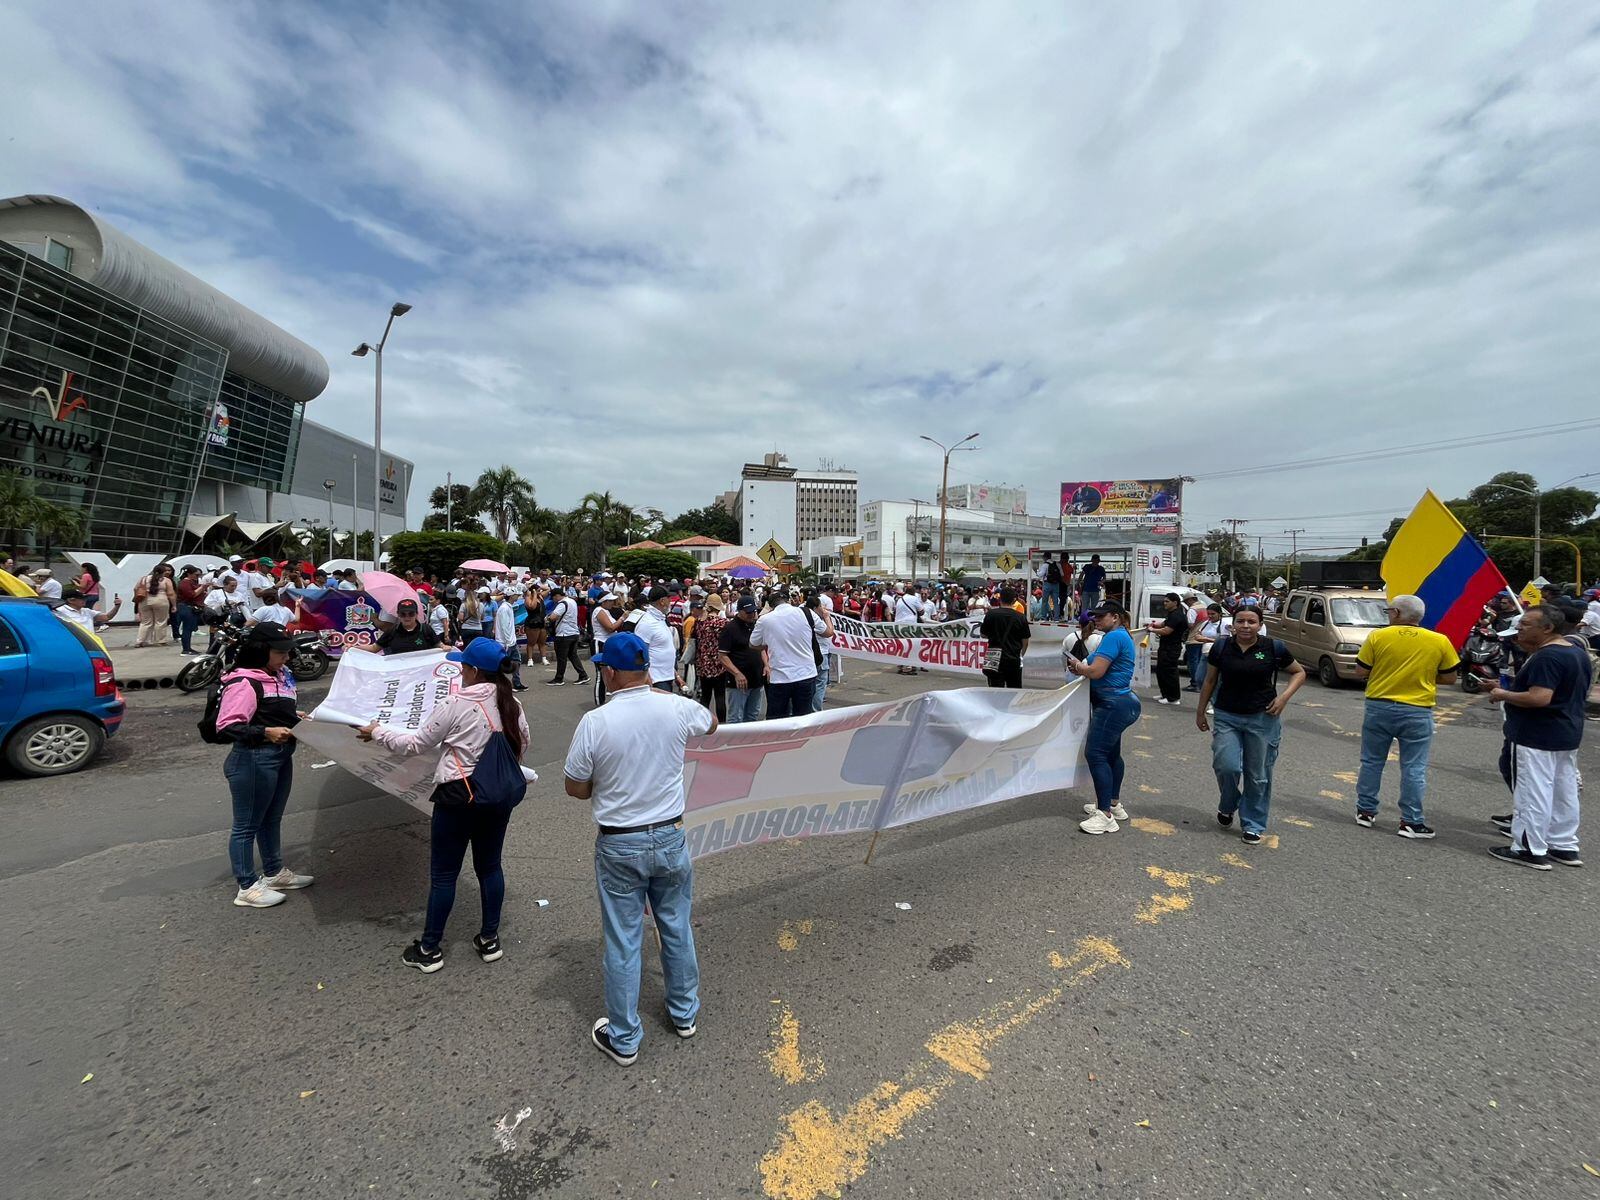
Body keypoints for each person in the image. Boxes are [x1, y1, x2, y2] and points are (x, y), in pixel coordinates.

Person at [563, 632, 715, 1066]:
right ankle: (684, 1013)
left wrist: (606, 781)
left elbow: (575, 787)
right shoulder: (677, 708)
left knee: (624, 939)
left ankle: (625, 1036)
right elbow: (712, 724)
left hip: (620, 841)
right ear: (647, 668)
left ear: (610, 672)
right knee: (676, 924)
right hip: (669, 834)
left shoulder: (597, 721)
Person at [360, 636, 530, 969]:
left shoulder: (456, 703)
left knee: (444, 874)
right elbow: (522, 745)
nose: (460, 670)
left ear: (473, 670)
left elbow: (415, 744)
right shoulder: (513, 703)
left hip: (458, 797)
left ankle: (429, 949)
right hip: (498, 797)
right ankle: (490, 939)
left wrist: (377, 731)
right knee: (490, 867)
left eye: (463, 665)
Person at [215, 623, 314, 908]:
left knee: (272, 818)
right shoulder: (245, 681)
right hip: (254, 758)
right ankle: (246, 886)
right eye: (280, 651)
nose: (286, 656)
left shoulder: (279, 675)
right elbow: (228, 726)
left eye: (287, 651)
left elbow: (269, 709)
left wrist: (294, 715)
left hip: (280, 756)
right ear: (261, 651)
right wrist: (266, 732)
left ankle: (273, 872)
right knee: (246, 825)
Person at [1487, 605, 1590, 869]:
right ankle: (1562, 844)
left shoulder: (1548, 657)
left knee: (1533, 792)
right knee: (1561, 791)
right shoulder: (1576, 653)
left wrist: (1503, 695)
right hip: (1565, 732)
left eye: (1526, 624)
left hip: (1535, 734)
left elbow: (1539, 697)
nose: (1519, 628)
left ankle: (1529, 848)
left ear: (1547, 628)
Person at [1195, 607, 1307, 844]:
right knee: (1227, 766)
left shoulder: (1272, 648)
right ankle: (1228, 804)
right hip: (1227, 715)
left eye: (1252, 622)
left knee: (1258, 775)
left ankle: (1253, 823)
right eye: (1241, 621)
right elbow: (1210, 679)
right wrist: (1201, 711)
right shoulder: (1221, 647)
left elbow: (1298, 673)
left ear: (1260, 624)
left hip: (1262, 718)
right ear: (1233, 624)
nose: (1246, 626)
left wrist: (1283, 698)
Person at [1353, 594, 1459, 838]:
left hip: (1379, 706)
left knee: (1371, 761)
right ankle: (1411, 821)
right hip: (1418, 709)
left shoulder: (1378, 636)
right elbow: (1450, 678)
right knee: (1414, 767)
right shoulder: (1439, 640)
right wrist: (1421, 676)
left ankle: (1366, 811)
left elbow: (1361, 671)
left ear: (1398, 613)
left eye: (1390, 611)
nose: (1388, 614)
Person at [1067, 603, 1141, 834]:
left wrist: (1078, 666)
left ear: (1115, 617)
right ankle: (1113, 804)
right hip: (1119, 703)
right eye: (1095, 616)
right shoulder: (1119, 635)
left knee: (1096, 753)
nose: (1096, 620)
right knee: (1111, 754)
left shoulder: (1113, 638)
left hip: (1112, 704)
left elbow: (1097, 671)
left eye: (1101, 616)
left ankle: (1105, 815)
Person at [752, 590, 819, 719]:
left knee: (777, 719)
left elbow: (753, 644)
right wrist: (826, 617)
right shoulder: (806, 613)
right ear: (788, 600)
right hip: (806, 673)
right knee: (804, 718)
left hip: (780, 677)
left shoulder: (765, 619)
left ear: (770, 606)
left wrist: (770, 643)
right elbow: (827, 632)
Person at [719, 595, 767, 722]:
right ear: (739, 611)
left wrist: (766, 665)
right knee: (736, 717)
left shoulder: (755, 625)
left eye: (754, 611)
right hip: (738, 683)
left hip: (756, 679)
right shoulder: (730, 628)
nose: (752, 614)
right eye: (748, 612)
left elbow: (760, 648)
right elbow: (722, 656)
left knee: (752, 715)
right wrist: (737, 673)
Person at [980, 586, 1031, 688]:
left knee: (995, 690)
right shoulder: (1020, 617)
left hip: (994, 659)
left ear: (1000, 599)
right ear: (1014, 600)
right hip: (1013, 658)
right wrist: (1020, 654)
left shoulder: (991, 614)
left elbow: (983, 634)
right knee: (1014, 689)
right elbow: (1025, 640)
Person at [634, 587, 683, 694]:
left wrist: (676, 676)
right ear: (662, 601)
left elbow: (664, 649)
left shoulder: (660, 619)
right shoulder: (647, 623)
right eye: (668, 599)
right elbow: (639, 654)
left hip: (666, 677)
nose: (670, 602)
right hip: (656, 680)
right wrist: (648, 680)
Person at [1144, 593, 1189, 705]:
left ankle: (1173, 698)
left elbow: (1166, 631)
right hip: (1165, 647)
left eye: (1167, 601)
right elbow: (1163, 624)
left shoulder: (1177, 615)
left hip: (1172, 647)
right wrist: (1153, 625)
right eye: (1164, 601)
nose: (1165, 603)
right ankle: (1165, 694)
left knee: (1169, 672)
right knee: (1161, 671)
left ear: (1175, 602)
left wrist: (1152, 630)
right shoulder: (1171, 614)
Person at [694, 594, 731, 721]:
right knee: (720, 696)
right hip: (718, 662)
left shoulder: (699, 621)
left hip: (702, 662)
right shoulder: (722, 623)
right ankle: (722, 723)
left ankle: (702, 722)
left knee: (705, 696)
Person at [365, 598, 440, 655]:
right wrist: (354, 648)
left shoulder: (426, 629)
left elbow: (439, 645)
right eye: (403, 614)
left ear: (416, 614)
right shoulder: (392, 630)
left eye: (411, 614)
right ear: (398, 615)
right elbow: (374, 648)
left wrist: (446, 648)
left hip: (420, 673)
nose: (407, 617)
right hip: (398, 673)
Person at [804, 591, 837, 709]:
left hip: (807, 654)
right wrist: (827, 618)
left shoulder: (800, 613)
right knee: (819, 684)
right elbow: (829, 632)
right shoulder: (814, 618)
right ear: (815, 608)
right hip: (820, 653)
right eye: (820, 607)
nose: (822, 609)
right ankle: (815, 710)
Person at [492, 589, 529, 690]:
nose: (518, 596)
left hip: (511, 641)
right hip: (505, 642)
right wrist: (508, 642)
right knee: (502, 664)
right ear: (511, 596)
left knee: (516, 661)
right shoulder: (504, 608)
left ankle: (516, 683)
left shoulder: (507, 607)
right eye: (516, 595)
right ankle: (498, 684)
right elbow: (505, 626)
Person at [54, 586, 121, 637]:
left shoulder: (87, 611)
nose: (85, 600)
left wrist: (117, 606)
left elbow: (107, 617)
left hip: (90, 643)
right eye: (81, 598)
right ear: (71, 600)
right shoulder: (59, 611)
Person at [174, 566, 204, 655]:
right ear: (189, 574)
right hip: (186, 607)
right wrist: (202, 587)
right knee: (187, 629)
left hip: (188, 607)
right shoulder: (185, 583)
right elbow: (191, 595)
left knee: (189, 629)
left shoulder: (189, 582)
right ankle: (186, 649)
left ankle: (188, 648)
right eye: (196, 574)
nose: (197, 576)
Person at [1037, 553, 1061, 623]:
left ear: (1045, 557)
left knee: (1045, 601)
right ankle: (1056, 618)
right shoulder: (1057, 564)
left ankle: (1043, 617)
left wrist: (1037, 571)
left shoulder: (1045, 565)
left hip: (1047, 584)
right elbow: (1061, 574)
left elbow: (1040, 575)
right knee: (1055, 602)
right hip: (1056, 584)